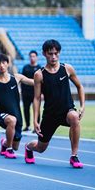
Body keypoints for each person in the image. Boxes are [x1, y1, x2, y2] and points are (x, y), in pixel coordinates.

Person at [25, 40, 85, 169]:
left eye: (56, 53)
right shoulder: (39, 74)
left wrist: (82, 106)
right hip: (50, 115)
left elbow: (80, 87)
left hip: (66, 111)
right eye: (50, 53)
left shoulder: (67, 69)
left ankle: (74, 155)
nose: (53, 57)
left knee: (74, 117)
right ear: (44, 54)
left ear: (59, 53)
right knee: (41, 148)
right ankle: (28, 147)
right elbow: (36, 98)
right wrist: (35, 120)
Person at [0, 54, 34, 159]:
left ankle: (5, 143)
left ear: (8, 64)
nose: (1, 65)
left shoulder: (16, 78)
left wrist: (46, 79)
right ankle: (8, 149)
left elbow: (34, 82)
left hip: (17, 115)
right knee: (12, 120)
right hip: (2, 114)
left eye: (4, 63)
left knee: (16, 146)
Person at [20, 50, 42, 132]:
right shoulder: (25, 68)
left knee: (36, 110)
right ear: (29, 57)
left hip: (36, 93)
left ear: (36, 57)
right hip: (26, 93)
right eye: (31, 56)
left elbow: (42, 82)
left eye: (34, 56)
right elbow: (22, 80)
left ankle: (37, 126)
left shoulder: (39, 68)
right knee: (26, 109)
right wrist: (21, 91)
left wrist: (42, 93)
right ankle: (27, 126)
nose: (32, 58)